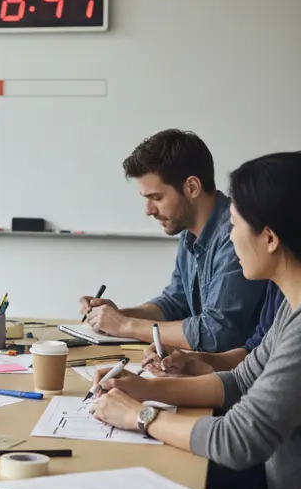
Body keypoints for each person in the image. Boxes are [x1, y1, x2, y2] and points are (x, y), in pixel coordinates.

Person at [88, 152, 301, 489]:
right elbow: (240, 380)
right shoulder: (290, 309)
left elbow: (239, 439)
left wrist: (141, 416)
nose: (230, 238)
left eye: (235, 225)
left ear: (270, 238)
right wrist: (143, 388)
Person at [79, 129, 265, 351]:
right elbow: (175, 304)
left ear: (192, 187)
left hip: (238, 369)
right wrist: (115, 316)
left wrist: (126, 325)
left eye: (156, 197)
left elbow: (215, 333)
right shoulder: (189, 232)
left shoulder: (235, 235)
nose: (148, 210)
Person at [142, 281, 285, 376]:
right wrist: (188, 360)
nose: (233, 245)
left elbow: (213, 333)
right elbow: (251, 354)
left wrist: (149, 392)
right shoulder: (276, 287)